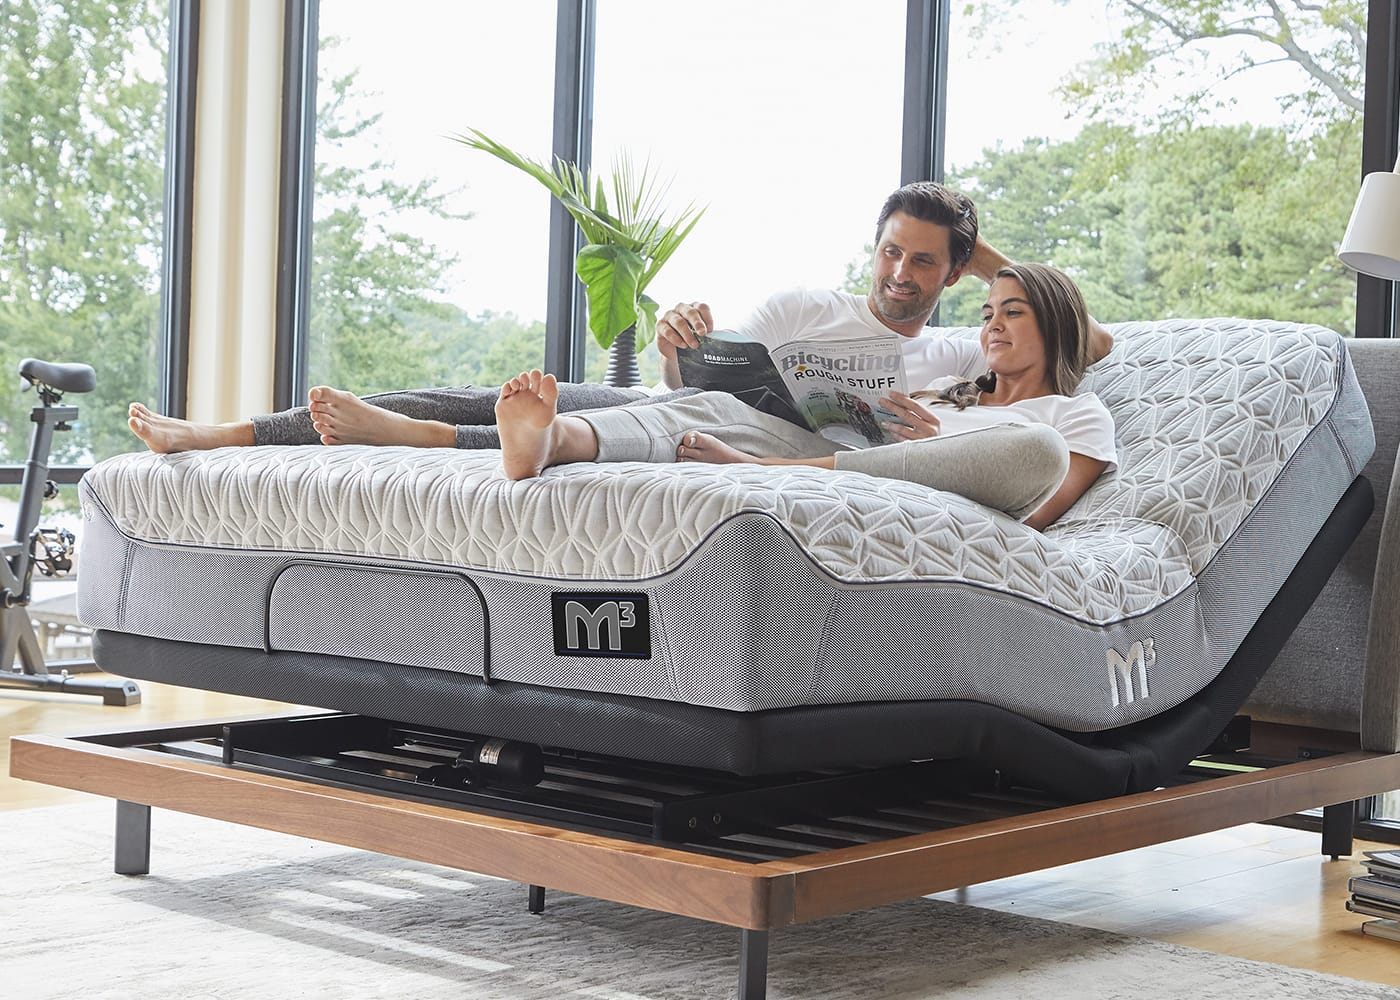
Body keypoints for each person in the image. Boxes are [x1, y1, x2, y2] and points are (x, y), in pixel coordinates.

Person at [126, 181, 1113, 458]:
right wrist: (680, 347)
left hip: (757, 445)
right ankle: (223, 433)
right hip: (693, 408)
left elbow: (1089, 336)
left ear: (952, 272)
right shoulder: (799, 306)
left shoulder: (955, 346)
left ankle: (424, 436)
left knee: (563, 427)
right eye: (891, 251)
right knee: (480, 393)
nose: (899, 273)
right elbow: (694, 383)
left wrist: (977, 245)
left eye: (924, 260)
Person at [494, 261, 1116, 531]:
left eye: (1013, 312)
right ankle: (559, 439)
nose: (993, 325)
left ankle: (758, 467)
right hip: (844, 465)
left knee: (1036, 447)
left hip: (960, 498)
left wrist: (937, 451)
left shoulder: (1076, 413)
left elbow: (1035, 509)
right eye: (988, 313)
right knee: (721, 408)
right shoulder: (950, 393)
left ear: (1057, 324)